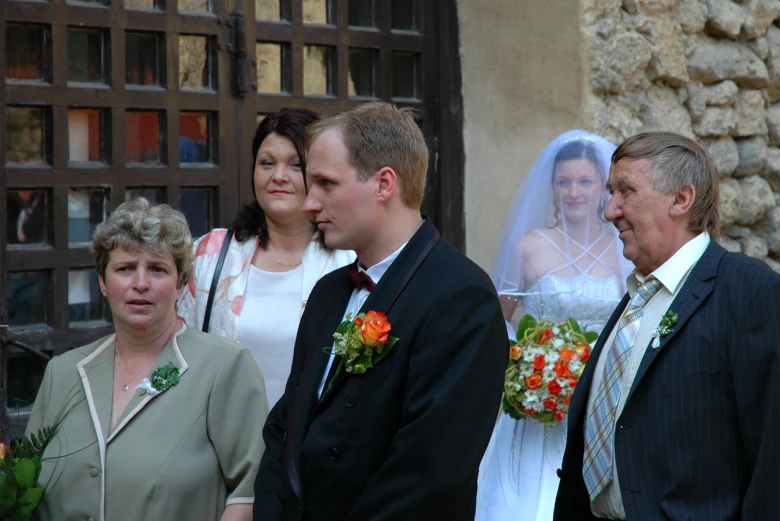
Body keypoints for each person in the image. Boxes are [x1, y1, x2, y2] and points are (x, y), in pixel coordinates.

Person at [253, 102, 509, 520]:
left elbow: (431, 474)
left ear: (383, 184)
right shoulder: (329, 291)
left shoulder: (462, 298)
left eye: (325, 184)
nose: (309, 203)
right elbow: (286, 424)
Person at [554, 132, 780, 520]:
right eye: (611, 192)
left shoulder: (750, 293)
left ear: (681, 199)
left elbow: (773, 460)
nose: (610, 211)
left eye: (625, 191)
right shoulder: (635, 299)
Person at [25, 198, 269, 521]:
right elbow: (24, 488)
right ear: (103, 282)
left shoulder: (224, 368)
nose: (140, 284)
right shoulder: (63, 373)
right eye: (125, 269)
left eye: (157, 269)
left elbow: (251, 493)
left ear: (181, 284)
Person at [476, 130, 632, 521]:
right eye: (564, 181)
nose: (574, 191)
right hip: (538, 404)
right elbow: (502, 324)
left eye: (584, 181)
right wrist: (529, 365)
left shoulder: (621, 250)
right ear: (552, 186)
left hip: (602, 404)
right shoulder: (529, 246)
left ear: (602, 188)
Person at [177, 108, 355, 408]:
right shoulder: (211, 253)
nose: (279, 176)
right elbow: (179, 350)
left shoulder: (350, 260)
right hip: (226, 444)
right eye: (267, 163)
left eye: (296, 165)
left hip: (314, 444)